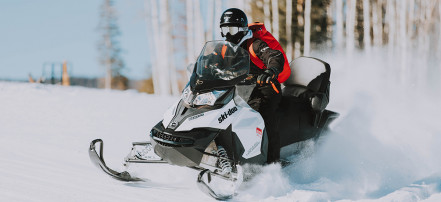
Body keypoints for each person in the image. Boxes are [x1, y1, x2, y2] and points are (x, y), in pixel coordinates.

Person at [218, 8, 290, 163]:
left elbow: (274, 55)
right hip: (241, 91)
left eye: (232, 29)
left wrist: (271, 69)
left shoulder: (255, 44)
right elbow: (216, 64)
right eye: (225, 29)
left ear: (243, 29)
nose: (228, 34)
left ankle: (271, 163)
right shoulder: (227, 49)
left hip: (265, 88)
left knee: (261, 117)